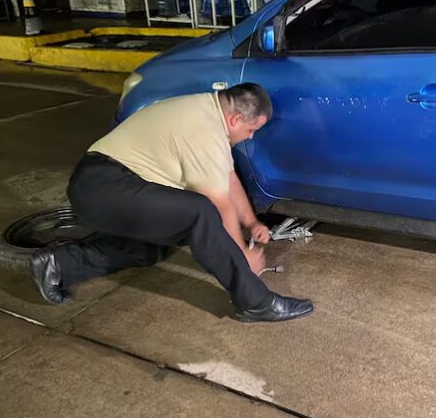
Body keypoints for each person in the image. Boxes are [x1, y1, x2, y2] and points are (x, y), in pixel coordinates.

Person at [30, 83, 313, 323]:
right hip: (103, 186)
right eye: (252, 129)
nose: (250, 137)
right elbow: (219, 203)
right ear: (236, 119)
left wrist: (250, 222)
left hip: (107, 185)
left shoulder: (209, 114)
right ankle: (254, 301)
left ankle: (58, 264)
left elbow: (229, 179)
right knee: (199, 214)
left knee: (150, 249)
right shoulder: (204, 129)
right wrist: (243, 256)